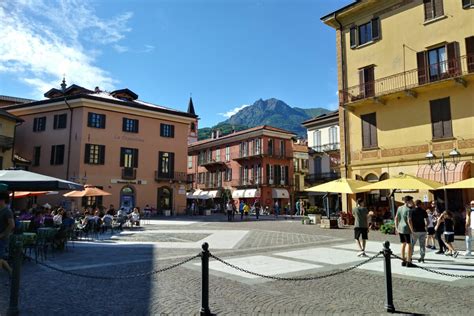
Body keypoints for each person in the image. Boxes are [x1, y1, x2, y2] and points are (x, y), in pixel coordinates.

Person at [395, 195, 415, 267]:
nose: (412, 202)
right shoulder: (408, 210)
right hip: (406, 229)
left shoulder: (399, 208)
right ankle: (409, 261)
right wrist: (412, 231)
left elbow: (396, 217)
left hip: (400, 228)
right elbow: (409, 221)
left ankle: (403, 259)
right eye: (411, 201)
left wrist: (396, 227)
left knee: (403, 244)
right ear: (408, 201)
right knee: (409, 244)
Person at [0, 191, 14, 276]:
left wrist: (3, 234)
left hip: (2, 239)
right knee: (1, 259)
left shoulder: (7, 211)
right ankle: (12, 273)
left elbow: (12, 225)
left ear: (2, 200)